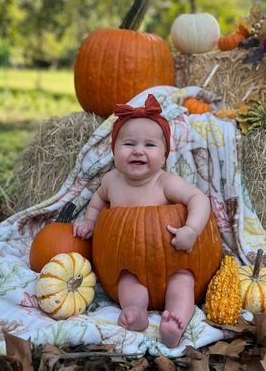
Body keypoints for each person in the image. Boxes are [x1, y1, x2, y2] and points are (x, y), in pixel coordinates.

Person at [73, 93, 211, 348]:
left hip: (172, 260)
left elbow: (199, 198)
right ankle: (136, 311)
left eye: (149, 145)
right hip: (127, 262)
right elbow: (97, 202)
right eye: (128, 144)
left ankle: (176, 319)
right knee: (127, 283)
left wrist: (191, 229)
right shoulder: (111, 181)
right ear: (114, 151)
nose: (138, 150)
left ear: (165, 155)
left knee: (183, 283)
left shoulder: (165, 182)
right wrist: (90, 221)